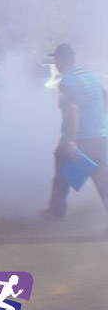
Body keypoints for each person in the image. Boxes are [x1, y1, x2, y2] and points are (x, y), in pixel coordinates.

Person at [42, 43, 108, 220]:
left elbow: (72, 111)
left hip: (79, 138)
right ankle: (55, 210)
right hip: (100, 136)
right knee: (102, 181)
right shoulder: (91, 76)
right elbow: (105, 100)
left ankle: (55, 212)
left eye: (55, 59)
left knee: (61, 169)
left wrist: (71, 142)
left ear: (60, 59)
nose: (55, 63)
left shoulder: (67, 81)